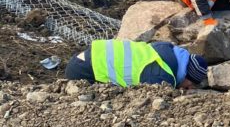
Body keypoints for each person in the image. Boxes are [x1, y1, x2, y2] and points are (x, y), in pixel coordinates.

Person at [65, 40, 208, 89]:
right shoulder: (162, 74)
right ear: (187, 75)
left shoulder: (166, 50)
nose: (189, 88)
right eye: (190, 84)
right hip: (83, 72)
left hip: (83, 59)